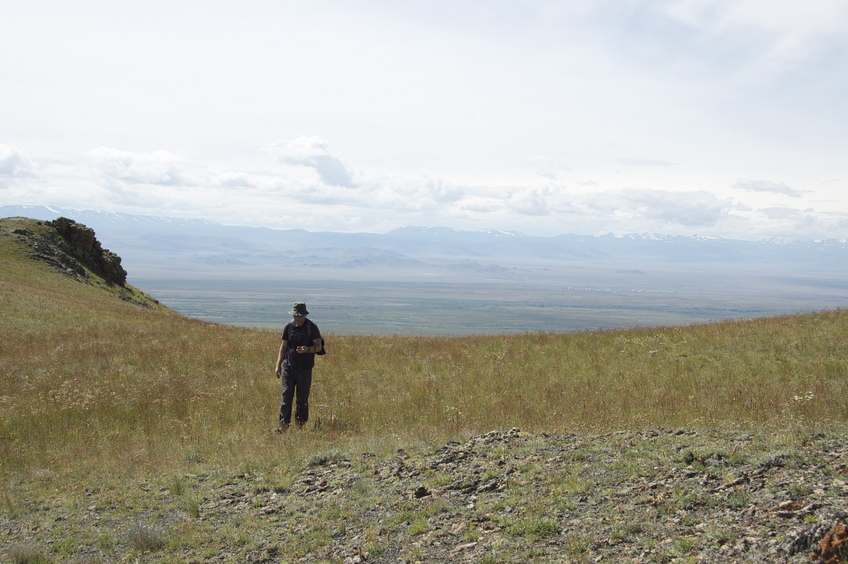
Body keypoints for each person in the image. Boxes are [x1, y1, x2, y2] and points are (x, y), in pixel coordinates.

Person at [274, 302, 322, 432]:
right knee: (286, 396)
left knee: (302, 398)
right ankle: (283, 426)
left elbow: (319, 346)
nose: (298, 318)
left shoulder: (311, 327)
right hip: (289, 368)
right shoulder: (288, 327)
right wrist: (278, 365)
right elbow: (283, 346)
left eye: (300, 315)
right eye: (296, 315)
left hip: (304, 369)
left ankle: (300, 426)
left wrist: (307, 349)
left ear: (305, 315)